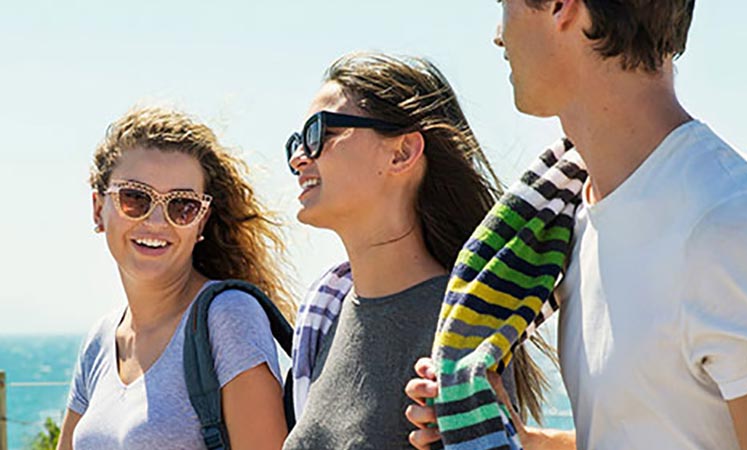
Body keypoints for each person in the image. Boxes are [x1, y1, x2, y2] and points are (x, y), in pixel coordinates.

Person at [406, 1, 747, 449]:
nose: (499, 33)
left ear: (561, 7)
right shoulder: (579, 212)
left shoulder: (730, 226)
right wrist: (527, 440)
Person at [281, 52, 550, 450]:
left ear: (402, 153)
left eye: (319, 133)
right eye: (298, 141)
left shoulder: (460, 329)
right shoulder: (326, 314)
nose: (298, 157)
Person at [56, 106, 294, 450]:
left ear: (201, 221)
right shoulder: (100, 340)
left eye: (182, 205)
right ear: (98, 209)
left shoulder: (229, 316)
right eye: (135, 198)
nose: (156, 221)